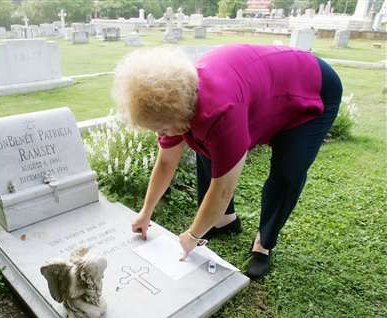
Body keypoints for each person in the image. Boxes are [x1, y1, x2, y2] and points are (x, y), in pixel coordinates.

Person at [112, 44, 342, 279]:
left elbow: (222, 189)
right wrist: (145, 212)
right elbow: (166, 163)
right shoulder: (174, 104)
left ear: (178, 111)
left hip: (312, 87)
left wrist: (192, 235)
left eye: (161, 128)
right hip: (265, 87)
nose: (162, 133)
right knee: (205, 144)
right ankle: (225, 221)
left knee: (288, 171)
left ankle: (264, 242)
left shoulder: (220, 112)